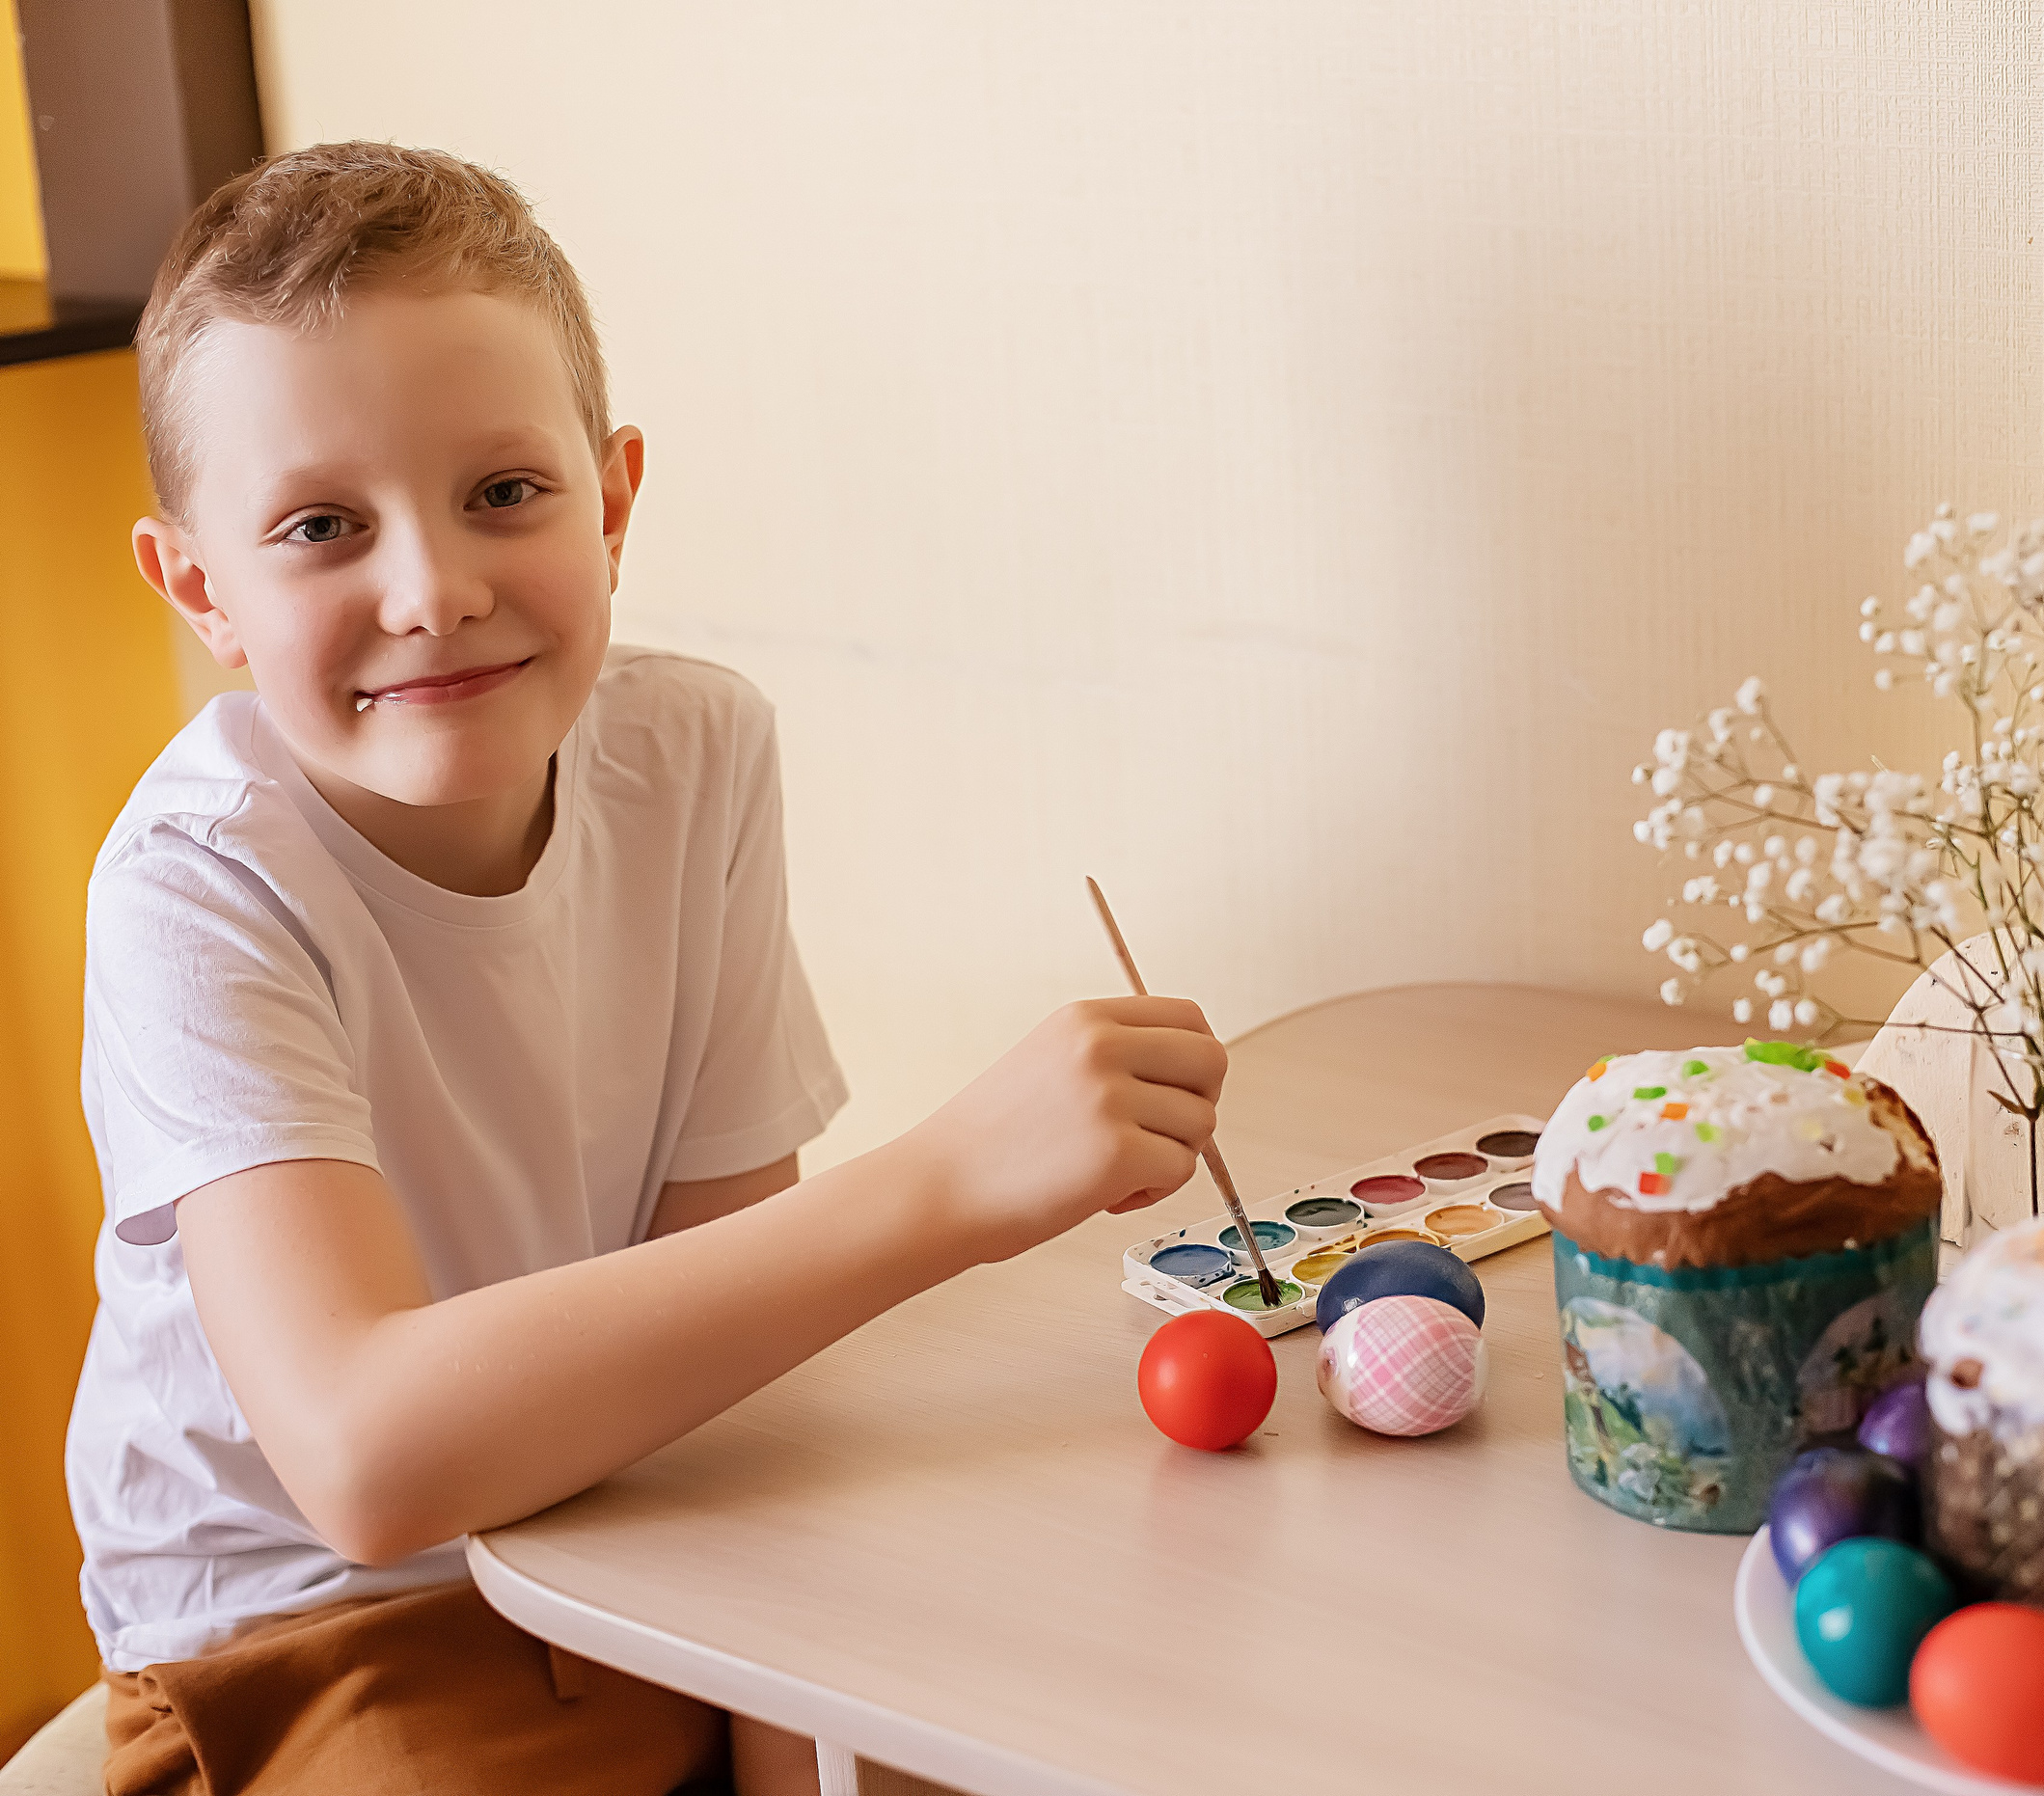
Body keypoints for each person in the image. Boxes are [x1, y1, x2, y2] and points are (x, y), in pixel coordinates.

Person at [68, 140, 1225, 1796]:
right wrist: (954, 1179)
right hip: (319, 1634)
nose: (435, 590)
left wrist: (794, 1709)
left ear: (610, 499)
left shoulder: (696, 754)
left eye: (504, 494)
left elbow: (732, 1338)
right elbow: (365, 1456)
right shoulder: (199, 883)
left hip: (635, 1514)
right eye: (321, 526)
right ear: (203, 591)